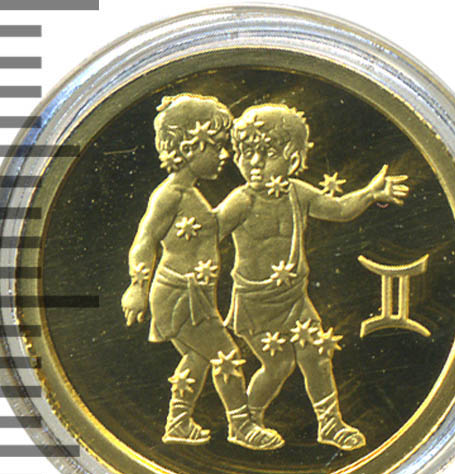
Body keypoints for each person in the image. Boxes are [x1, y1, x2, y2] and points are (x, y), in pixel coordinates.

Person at [215, 104, 409, 450]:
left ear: (292, 159)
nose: (254, 162)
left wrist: (369, 194)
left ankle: (330, 424)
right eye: (246, 153)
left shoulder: (298, 193)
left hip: (293, 298)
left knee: (317, 356)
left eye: (267, 153)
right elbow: (207, 235)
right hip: (256, 304)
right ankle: (245, 422)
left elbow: (338, 209)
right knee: (278, 365)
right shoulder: (240, 201)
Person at [121, 94, 283, 450]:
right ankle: (241, 426)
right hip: (180, 295)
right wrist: (136, 286)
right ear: (189, 147)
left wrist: (242, 200)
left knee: (197, 357)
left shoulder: (190, 194)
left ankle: (178, 422)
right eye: (217, 146)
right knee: (227, 355)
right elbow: (145, 239)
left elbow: (209, 231)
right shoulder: (170, 195)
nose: (224, 155)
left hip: (193, 294)